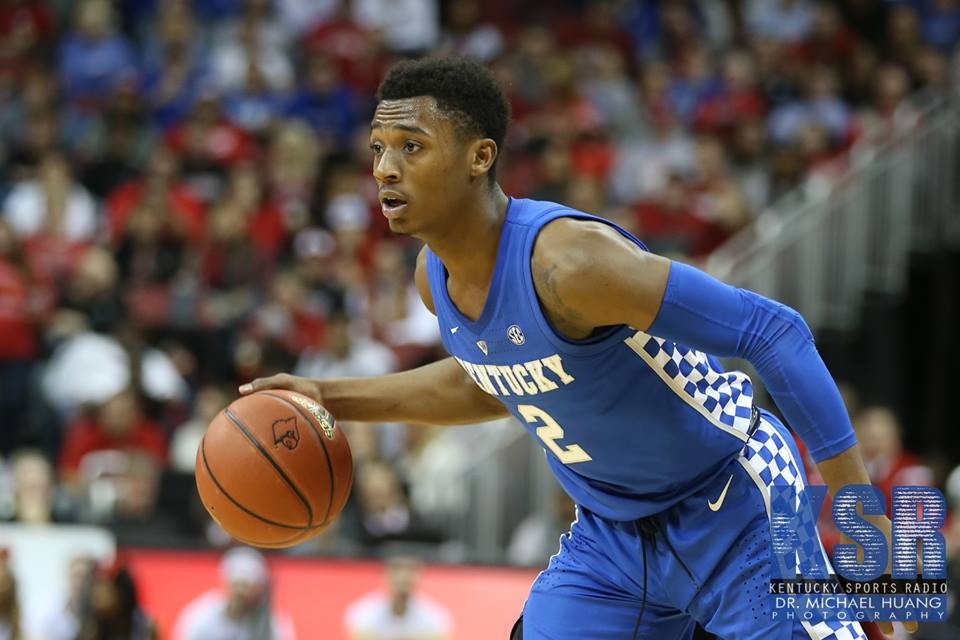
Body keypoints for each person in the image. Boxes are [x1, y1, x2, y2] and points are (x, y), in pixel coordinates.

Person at [241, 56, 913, 639]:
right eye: (378, 148)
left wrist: (863, 524)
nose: (385, 168)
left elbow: (775, 332)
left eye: (411, 147)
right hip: (611, 539)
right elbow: (489, 380)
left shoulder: (571, 265)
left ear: (480, 156)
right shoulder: (432, 278)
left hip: (734, 505)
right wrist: (328, 397)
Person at [172, 546, 296, 640]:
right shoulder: (202, 615)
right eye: (237, 584)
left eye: (247, 585)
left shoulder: (275, 623)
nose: (241, 592)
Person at [344, 555, 451, 640]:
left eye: (410, 569)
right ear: (385, 574)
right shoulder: (363, 611)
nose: (404, 576)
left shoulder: (435, 616)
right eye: (397, 569)